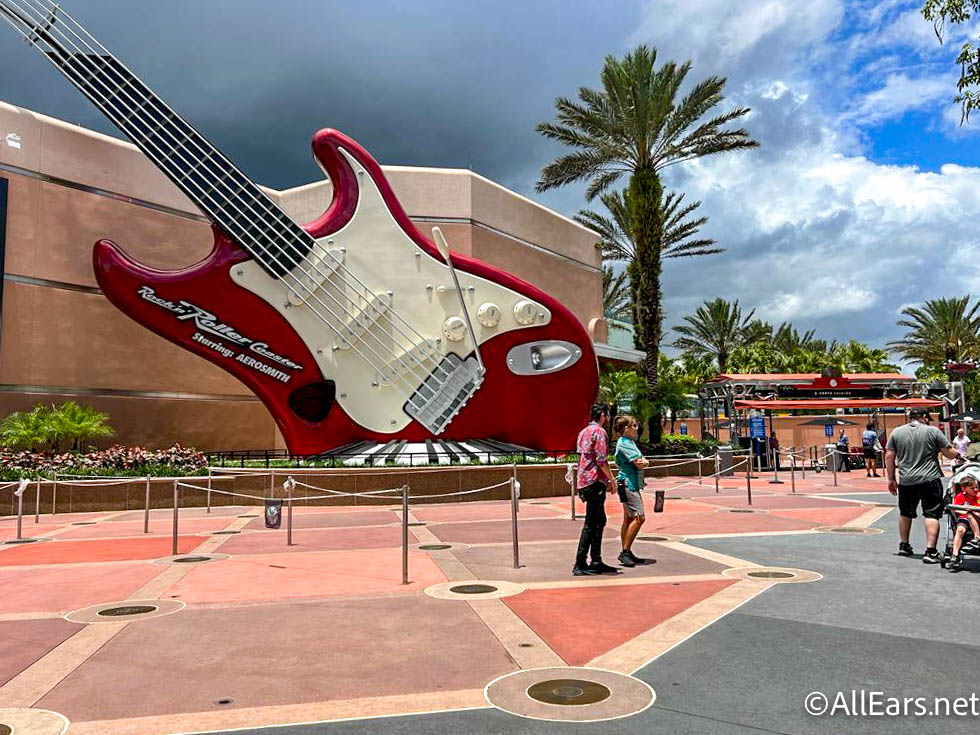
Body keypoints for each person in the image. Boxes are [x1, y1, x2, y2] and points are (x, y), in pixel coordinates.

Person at [886, 407, 960, 563]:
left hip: (906, 480)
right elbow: (948, 453)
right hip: (930, 479)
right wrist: (958, 454)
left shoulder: (897, 432)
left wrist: (891, 479)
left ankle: (904, 545)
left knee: (905, 512)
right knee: (932, 514)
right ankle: (930, 551)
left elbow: (889, 457)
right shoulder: (933, 432)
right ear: (925, 417)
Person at [573, 404, 619, 576]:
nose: (607, 419)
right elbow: (601, 460)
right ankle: (580, 562)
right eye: (606, 415)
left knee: (598, 520)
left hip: (584, 481)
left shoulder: (583, 432)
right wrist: (612, 480)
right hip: (594, 481)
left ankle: (596, 559)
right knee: (592, 522)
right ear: (601, 415)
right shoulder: (599, 433)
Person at [613, 415, 652, 567]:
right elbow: (639, 463)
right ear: (625, 429)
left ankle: (626, 550)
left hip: (628, 483)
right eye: (634, 426)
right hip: (629, 484)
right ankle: (625, 552)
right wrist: (646, 462)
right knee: (639, 517)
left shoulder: (627, 442)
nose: (636, 428)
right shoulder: (625, 443)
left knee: (628, 519)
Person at [947, 466, 980, 572]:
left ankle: (977, 538)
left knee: (971, 515)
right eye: (973, 488)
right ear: (964, 488)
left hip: (978, 517)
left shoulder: (978, 496)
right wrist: (966, 511)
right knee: (960, 530)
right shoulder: (961, 496)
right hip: (964, 518)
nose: (976, 490)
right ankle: (955, 554)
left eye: (977, 487)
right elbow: (956, 509)